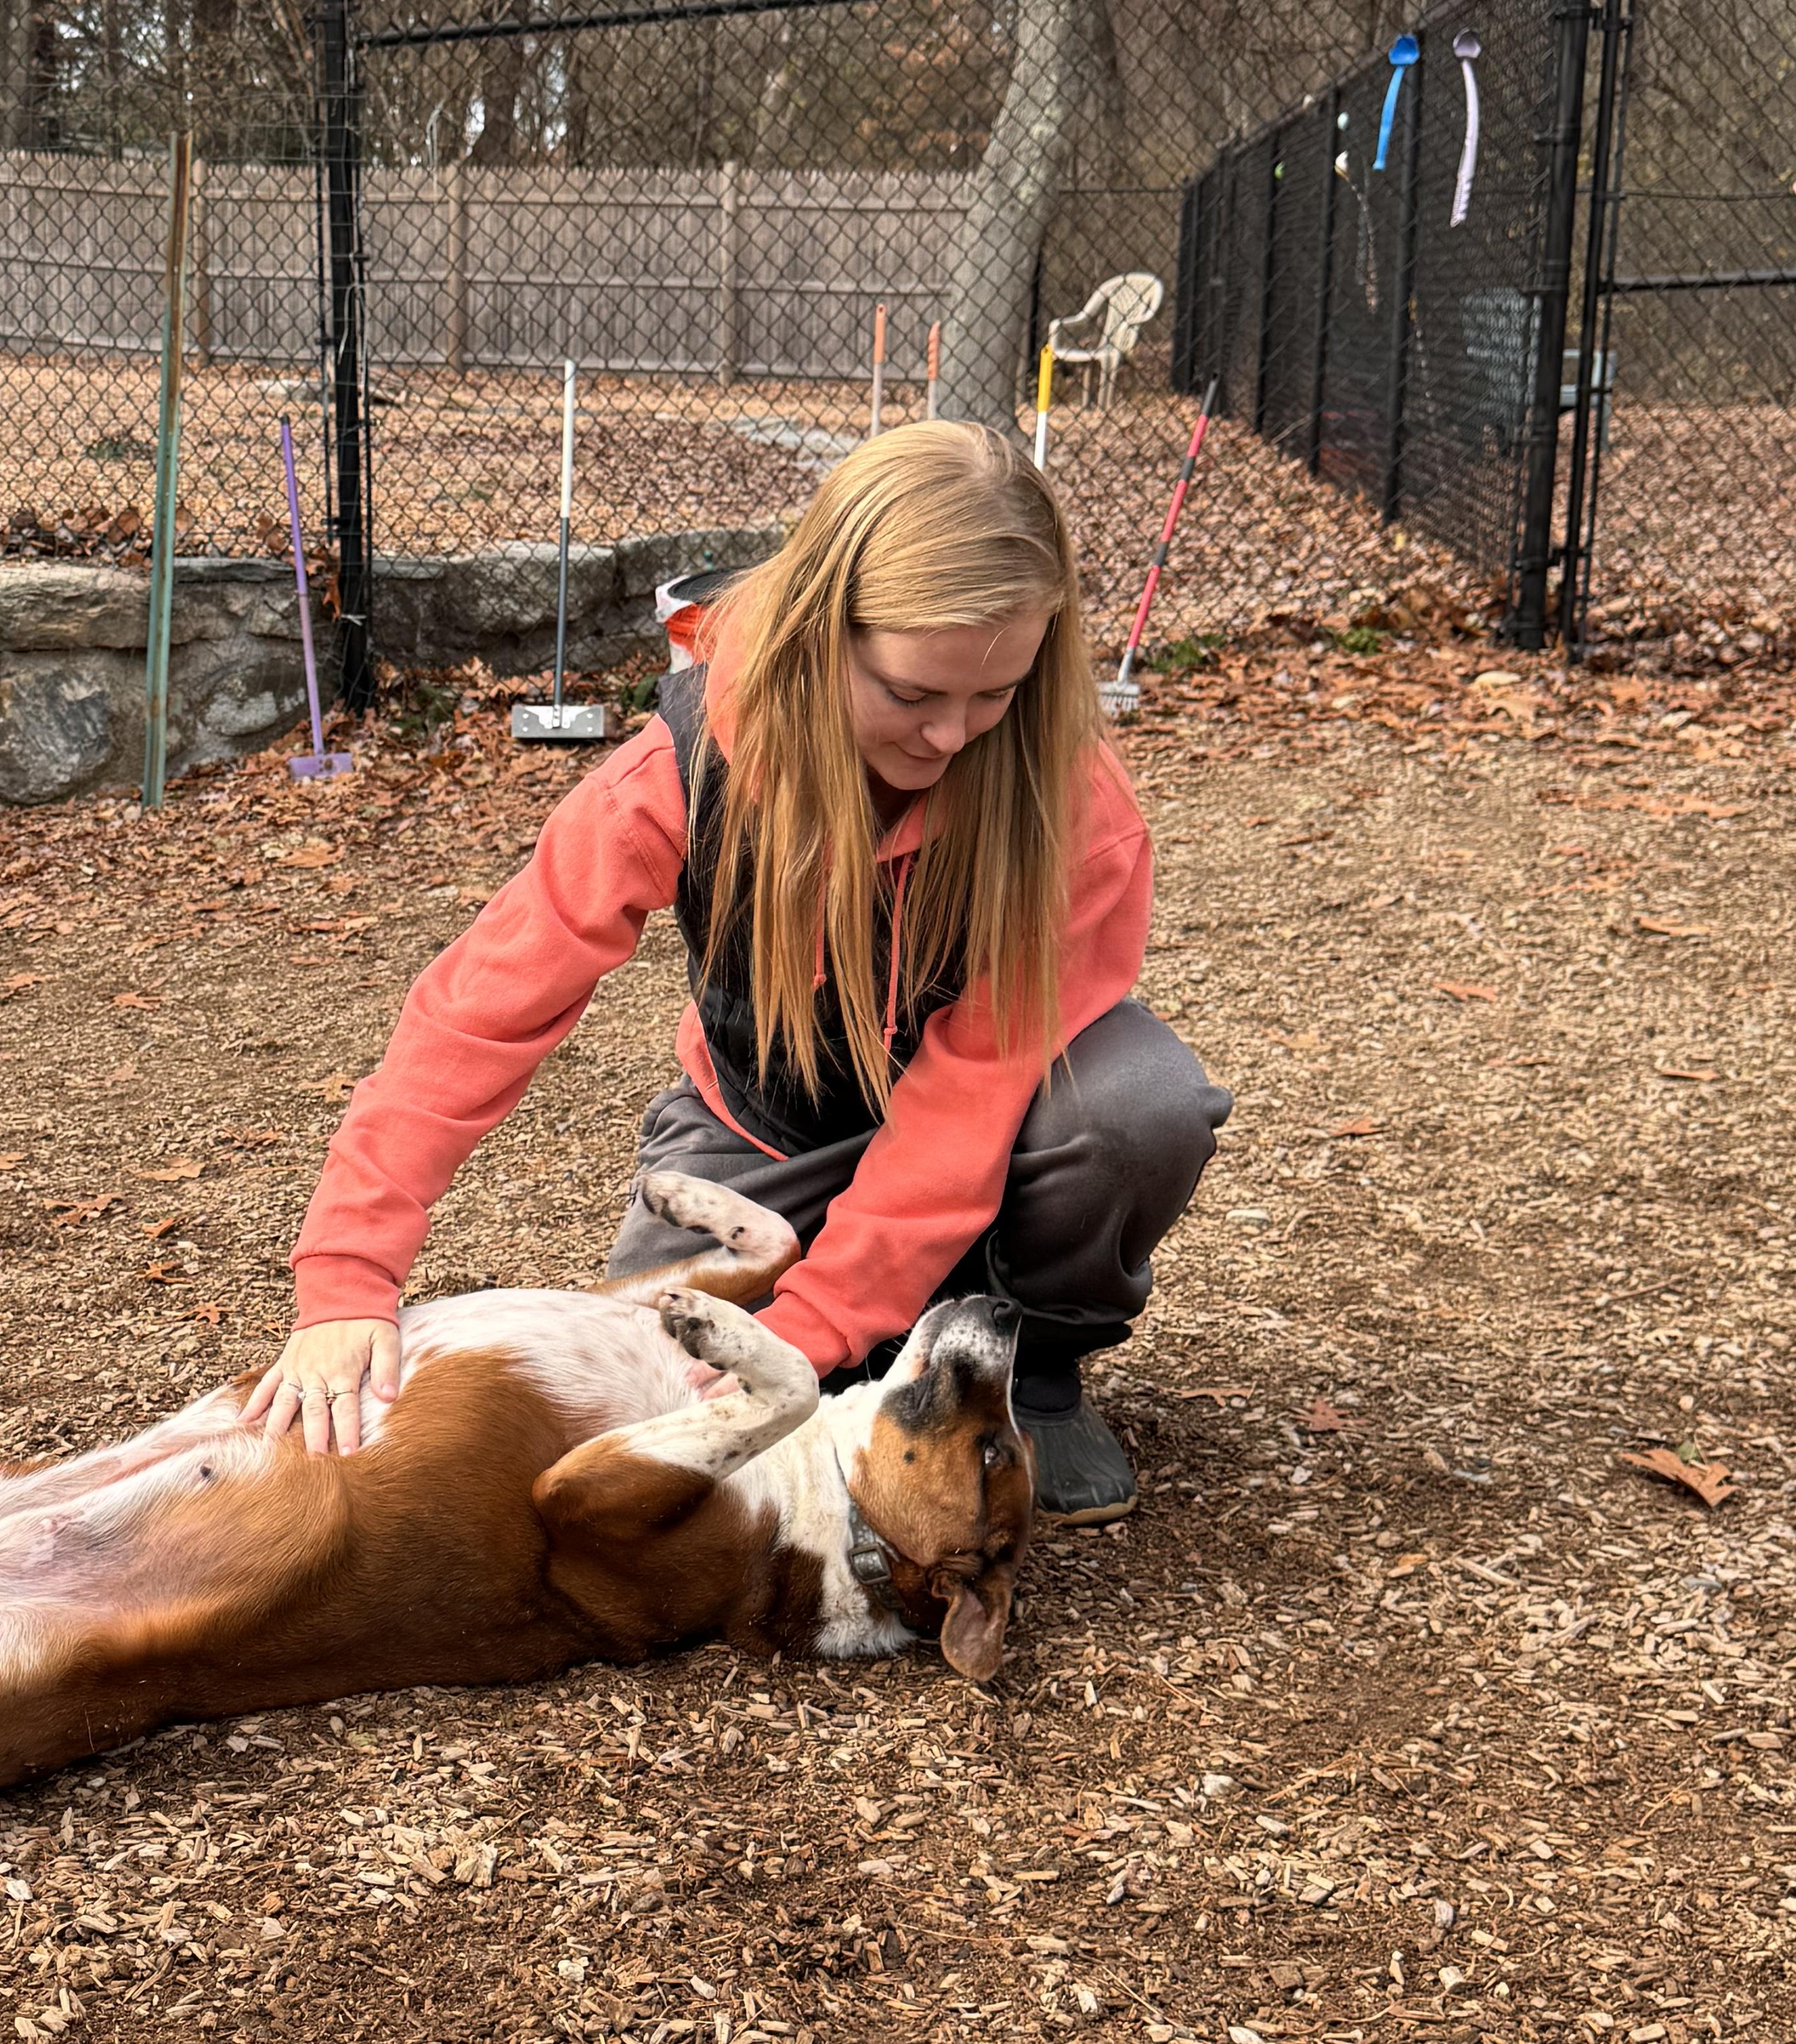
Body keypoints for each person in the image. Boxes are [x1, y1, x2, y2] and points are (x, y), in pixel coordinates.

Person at [240, 420, 1229, 1524]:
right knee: (652, 1406)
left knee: (1140, 1106)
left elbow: (969, 1106)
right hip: (766, 1133)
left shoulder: (1071, 809)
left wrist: (813, 1323)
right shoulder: (682, 768)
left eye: (995, 696)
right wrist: (346, 1273)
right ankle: (914, 1317)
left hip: (995, 1135)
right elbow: (482, 1012)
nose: (953, 737)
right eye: (912, 693)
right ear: (822, 632)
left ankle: (1030, 1366)